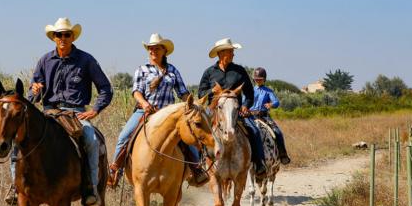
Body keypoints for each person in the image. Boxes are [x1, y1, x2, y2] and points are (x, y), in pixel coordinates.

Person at [6, 17, 113, 206]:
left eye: (66, 34)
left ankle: (91, 189)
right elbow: (32, 93)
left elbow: (105, 88)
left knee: (91, 139)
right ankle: (16, 187)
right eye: (58, 35)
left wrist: (95, 110)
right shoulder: (44, 61)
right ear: (53, 38)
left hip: (75, 113)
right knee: (18, 141)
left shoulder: (86, 60)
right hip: (49, 113)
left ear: (73, 37)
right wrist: (34, 91)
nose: (62, 38)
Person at [107, 33, 209, 187]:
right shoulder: (142, 69)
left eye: (156, 48)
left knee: (187, 137)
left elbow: (182, 92)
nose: (153, 50)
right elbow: (136, 92)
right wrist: (144, 104)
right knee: (124, 136)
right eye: (150, 48)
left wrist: (193, 103)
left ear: (164, 51)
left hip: (169, 114)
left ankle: (196, 169)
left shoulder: (172, 70)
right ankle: (115, 171)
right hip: (146, 111)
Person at [197, 38, 266, 174]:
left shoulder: (240, 71)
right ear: (221, 53)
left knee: (254, 131)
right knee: (198, 132)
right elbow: (200, 94)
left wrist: (245, 106)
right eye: (230, 51)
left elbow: (250, 94)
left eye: (233, 51)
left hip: (236, 112)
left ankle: (259, 164)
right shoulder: (209, 72)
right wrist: (212, 91)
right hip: (214, 111)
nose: (233, 54)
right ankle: (198, 167)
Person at [248, 67, 291, 164]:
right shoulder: (250, 90)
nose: (258, 81)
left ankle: (283, 155)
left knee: (278, 132)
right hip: (250, 116)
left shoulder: (268, 91)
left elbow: (276, 102)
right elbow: (244, 101)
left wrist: (271, 104)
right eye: (256, 79)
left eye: (260, 79)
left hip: (263, 116)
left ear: (264, 79)